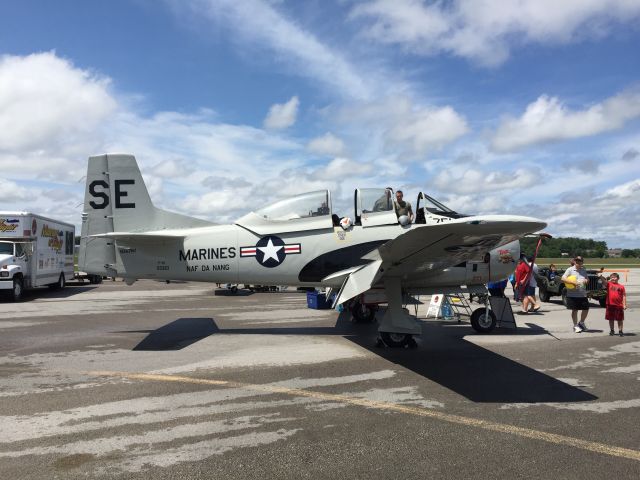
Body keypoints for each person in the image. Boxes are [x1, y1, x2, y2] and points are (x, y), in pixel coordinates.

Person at [561, 256, 590, 333]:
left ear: (582, 262)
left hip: (582, 293)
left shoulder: (583, 270)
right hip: (573, 294)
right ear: (574, 261)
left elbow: (587, 278)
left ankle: (581, 323)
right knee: (575, 310)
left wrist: (586, 280)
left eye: (579, 261)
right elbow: (563, 278)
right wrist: (573, 282)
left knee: (586, 309)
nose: (578, 262)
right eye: (576, 261)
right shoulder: (570, 269)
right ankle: (575, 325)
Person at [599, 272, 627, 336]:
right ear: (610, 279)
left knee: (620, 319)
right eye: (612, 277)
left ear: (618, 278)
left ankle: (620, 331)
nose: (613, 278)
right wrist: (600, 276)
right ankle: (612, 330)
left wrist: (624, 304)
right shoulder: (609, 284)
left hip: (619, 305)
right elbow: (604, 281)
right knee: (611, 319)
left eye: (614, 277)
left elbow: (624, 296)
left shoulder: (621, 286)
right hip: (610, 304)